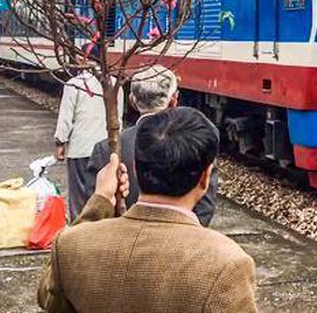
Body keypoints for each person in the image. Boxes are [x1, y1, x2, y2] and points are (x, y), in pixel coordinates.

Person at [37, 107, 257, 313]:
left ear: (134, 166)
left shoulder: (70, 245)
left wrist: (101, 200)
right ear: (205, 178)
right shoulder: (226, 264)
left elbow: (48, 299)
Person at [86, 65, 218, 226]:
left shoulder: (104, 150)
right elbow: (205, 209)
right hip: (181, 244)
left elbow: (93, 209)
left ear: (132, 100)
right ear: (173, 100)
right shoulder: (198, 144)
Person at [54, 69, 123, 222]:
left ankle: (78, 232)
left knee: (79, 199)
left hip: (81, 149)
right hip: (106, 150)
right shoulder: (115, 85)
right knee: (103, 196)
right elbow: (118, 119)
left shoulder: (75, 84)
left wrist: (60, 142)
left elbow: (66, 117)